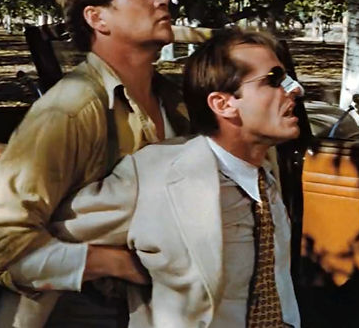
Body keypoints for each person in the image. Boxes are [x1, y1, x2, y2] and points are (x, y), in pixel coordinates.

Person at [0, 0, 190, 326]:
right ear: (98, 18)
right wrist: (117, 263)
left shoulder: (177, 103)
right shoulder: (70, 110)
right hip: (86, 312)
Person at [30, 28, 304, 327]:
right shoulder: (157, 176)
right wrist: (116, 266)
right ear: (223, 104)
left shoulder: (267, 172)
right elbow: (38, 244)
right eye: (274, 80)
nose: (296, 90)